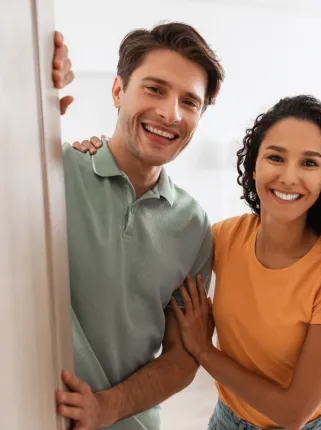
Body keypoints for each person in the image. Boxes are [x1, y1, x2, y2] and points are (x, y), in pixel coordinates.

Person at [74, 96, 321, 429]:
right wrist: (100, 155)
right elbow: (152, 245)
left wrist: (205, 352)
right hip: (227, 420)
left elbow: (292, 413)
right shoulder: (224, 237)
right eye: (275, 157)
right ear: (254, 165)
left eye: (309, 163)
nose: (289, 177)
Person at [50, 23, 225, 430]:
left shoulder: (194, 225)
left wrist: (108, 407)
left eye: (190, 101)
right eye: (155, 89)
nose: (171, 113)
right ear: (117, 91)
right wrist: (28, 92)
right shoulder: (52, 174)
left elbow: (183, 357)